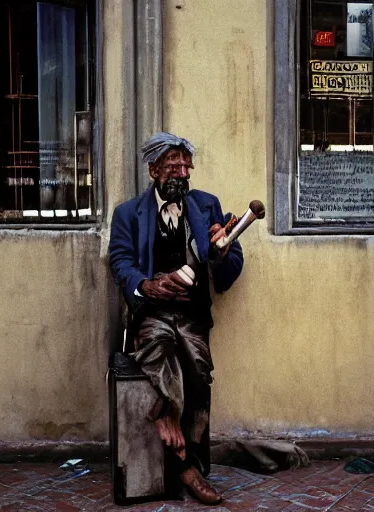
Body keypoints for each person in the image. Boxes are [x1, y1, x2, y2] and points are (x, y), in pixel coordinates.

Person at [108, 132, 243, 505]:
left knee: (199, 371)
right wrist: (147, 286)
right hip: (152, 312)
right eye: (172, 166)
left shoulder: (207, 205)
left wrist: (221, 251)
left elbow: (231, 270)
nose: (182, 174)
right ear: (153, 170)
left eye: (186, 166)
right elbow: (120, 263)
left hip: (192, 313)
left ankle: (178, 434)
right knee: (159, 354)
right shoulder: (127, 213)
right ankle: (186, 468)